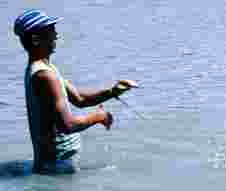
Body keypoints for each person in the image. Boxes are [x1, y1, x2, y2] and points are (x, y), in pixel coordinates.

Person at [14, 9, 137, 174]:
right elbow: (67, 125)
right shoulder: (45, 76)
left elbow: (79, 99)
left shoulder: (45, 68)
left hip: (55, 165)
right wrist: (99, 116)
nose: (56, 35)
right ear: (36, 39)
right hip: (56, 167)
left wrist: (113, 91)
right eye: (51, 31)